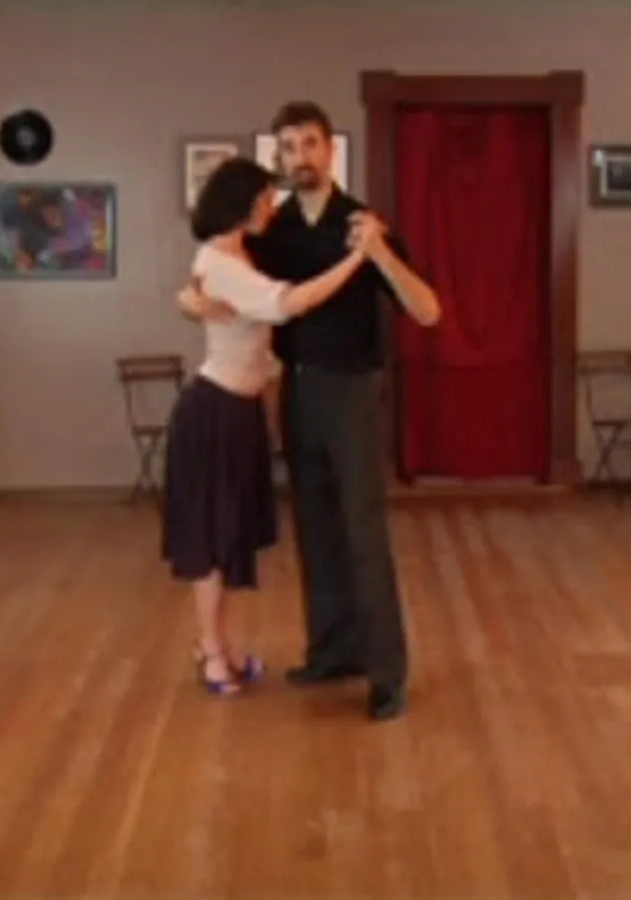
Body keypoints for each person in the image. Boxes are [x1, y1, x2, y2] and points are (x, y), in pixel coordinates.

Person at [178, 102, 442, 720]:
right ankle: (332, 652)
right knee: (316, 529)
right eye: (289, 147)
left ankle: (386, 673)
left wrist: (378, 254)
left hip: (352, 394)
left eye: (310, 144)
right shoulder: (274, 231)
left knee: (363, 533)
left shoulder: (364, 224)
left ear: (330, 151)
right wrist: (187, 301)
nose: (300, 157)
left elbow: (427, 311)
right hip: (297, 392)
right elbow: (214, 272)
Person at [164, 156, 382, 697]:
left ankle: (222, 645)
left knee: (229, 537)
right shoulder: (220, 260)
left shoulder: (241, 253)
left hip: (239, 411)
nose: (271, 207)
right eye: (264, 199)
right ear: (241, 202)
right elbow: (287, 304)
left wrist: (189, 303)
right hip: (214, 411)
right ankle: (212, 653)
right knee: (211, 541)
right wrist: (359, 257)